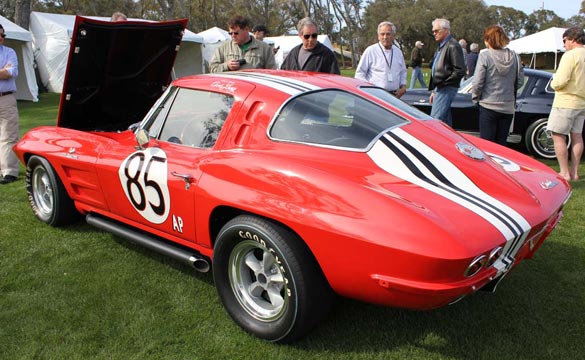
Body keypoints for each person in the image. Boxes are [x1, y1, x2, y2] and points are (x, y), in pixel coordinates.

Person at [472, 25, 524, 147]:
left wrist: (475, 97)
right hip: (508, 106)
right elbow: (520, 81)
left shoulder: (485, 56)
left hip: (488, 104)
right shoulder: (515, 57)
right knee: (501, 145)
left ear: (488, 40)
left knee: (487, 145)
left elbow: (478, 82)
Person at [547, 27, 585, 181]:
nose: (564, 45)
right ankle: (574, 172)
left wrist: (553, 83)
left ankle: (564, 172)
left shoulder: (570, 56)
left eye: (565, 41)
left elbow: (560, 80)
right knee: (577, 136)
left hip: (566, 101)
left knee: (558, 135)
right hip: (582, 102)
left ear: (573, 39)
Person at [428, 18, 465, 125]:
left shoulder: (452, 45)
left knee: (435, 121)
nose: (434, 33)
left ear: (446, 30)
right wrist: (434, 90)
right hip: (440, 88)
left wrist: (443, 84)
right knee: (444, 122)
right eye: (433, 31)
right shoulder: (442, 46)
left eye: (436, 31)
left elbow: (459, 70)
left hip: (446, 88)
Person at [355, 21, 407, 98]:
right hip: (376, 96)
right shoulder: (370, 51)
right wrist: (370, 89)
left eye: (388, 34)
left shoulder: (398, 52)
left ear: (393, 36)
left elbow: (403, 72)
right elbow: (359, 74)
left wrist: (403, 87)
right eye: (382, 34)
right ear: (378, 36)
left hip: (395, 96)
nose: (385, 37)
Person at [209, 15, 276, 73]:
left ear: (246, 30)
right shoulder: (223, 48)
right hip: (231, 86)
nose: (233, 36)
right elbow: (212, 68)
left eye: (236, 33)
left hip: (255, 87)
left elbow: (272, 73)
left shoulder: (264, 48)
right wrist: (227, 66)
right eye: (230, 33)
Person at [0, 23, 20, 185]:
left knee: (9, 135)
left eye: (3, 35)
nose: (1, 38)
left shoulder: (9, 52)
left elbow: (11, 72)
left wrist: (5, 72)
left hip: (6, 98)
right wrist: (2, 70)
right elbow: (4, 73)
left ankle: (9, 171)